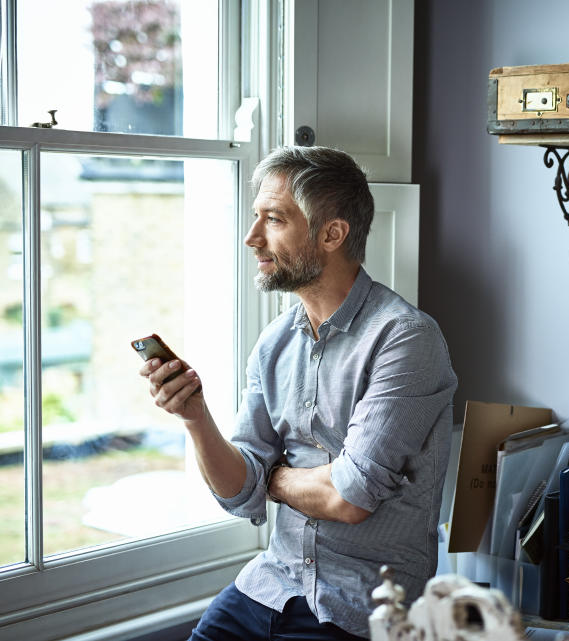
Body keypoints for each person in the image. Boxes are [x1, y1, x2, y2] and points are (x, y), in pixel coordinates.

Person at [139, 146, 458, 640]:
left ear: (332, 233)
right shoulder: (275, 342)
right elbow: (240, 495)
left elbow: (350, 497)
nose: (252, 237)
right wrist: (196, 417)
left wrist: (271, 477)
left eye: (274, 219)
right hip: (270, 584)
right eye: (256, 218)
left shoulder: (406, 339)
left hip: (362, 605)